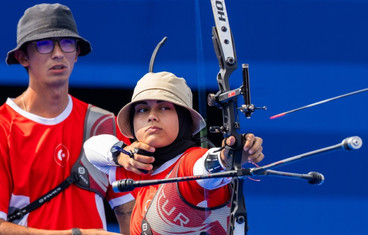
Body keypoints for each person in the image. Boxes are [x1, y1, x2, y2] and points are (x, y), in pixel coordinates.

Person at [0, 3, 134, 235]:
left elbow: (128, 210)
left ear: (77, 53)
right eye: (44, 45)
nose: (58, 53)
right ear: (23, 57)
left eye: (67, 43)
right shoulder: (3, 127)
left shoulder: (103, 124)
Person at [84, 71, 264, 234]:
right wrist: (120, 155)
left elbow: (206, 166)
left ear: (183, 119)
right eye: (142, 109)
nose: (151, 116)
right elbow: (90, 148)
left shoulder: (190, 161)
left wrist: (228, 155)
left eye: (164, 108)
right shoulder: (140, 166)